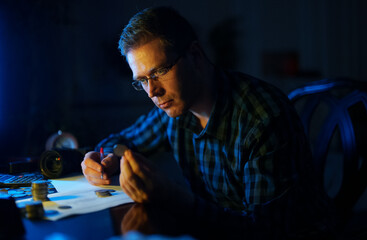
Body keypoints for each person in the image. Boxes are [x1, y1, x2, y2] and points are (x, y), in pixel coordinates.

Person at [81, 6, 330, 239]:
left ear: (195, 56)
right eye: (142, 80)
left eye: (159, 72)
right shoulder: (173, 107)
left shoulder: (263, 118)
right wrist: (107, 158)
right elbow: (122, 140)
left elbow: (264, 232)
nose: (152, 92)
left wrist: (172, 196)